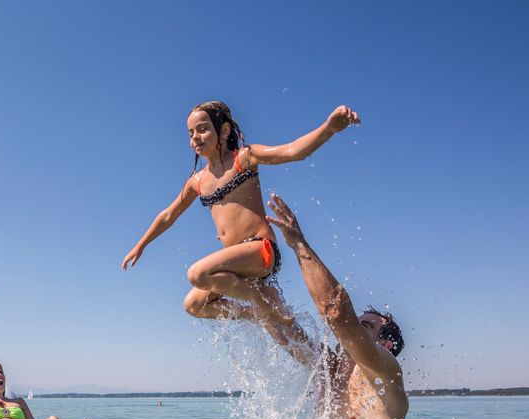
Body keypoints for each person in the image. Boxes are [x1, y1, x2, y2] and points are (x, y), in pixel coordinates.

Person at [263, 193, 450, 419]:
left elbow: (337, 313)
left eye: (367, 327)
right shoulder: (329, 370)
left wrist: (299, 244)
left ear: (386, 343)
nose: (355, 333)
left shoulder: (385, 372)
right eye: (359, 326)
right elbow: (281, 332)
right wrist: (254, 286)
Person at [122, 101, 360, 359]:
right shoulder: (197, 181)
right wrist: (141, 245)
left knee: (197, 273)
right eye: (190, 133)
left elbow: (292, 152)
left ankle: (261, 303)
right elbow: (168, 214)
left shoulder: (244, 159)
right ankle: (315, 355)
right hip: (239, 267)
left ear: (223, 131)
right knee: (194, 305)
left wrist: (329, 128)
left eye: (202, 129)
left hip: (260, 250)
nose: (195, 138)